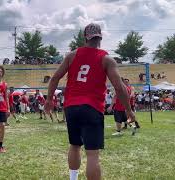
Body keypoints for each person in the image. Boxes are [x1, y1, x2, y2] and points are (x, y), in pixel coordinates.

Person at [45, 23, 136, 180]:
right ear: (100, 37)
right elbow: (119, 88)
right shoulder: (107, 59)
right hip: (92, 107)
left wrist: (48, 100)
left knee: (74, 145)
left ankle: (73, 178)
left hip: (71, 107)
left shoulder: (72, 55)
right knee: (92, 154)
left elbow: (54, 78)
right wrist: (128, 110)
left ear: (85, 37)